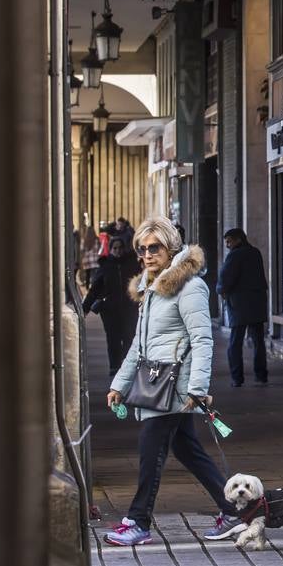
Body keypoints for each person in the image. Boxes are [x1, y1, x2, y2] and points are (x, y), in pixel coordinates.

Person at [103, 216, 245, 546]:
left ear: (172, 248)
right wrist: (119, 385)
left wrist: (197, 388)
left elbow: (202, 339)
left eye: (155, 248)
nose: (147, 255)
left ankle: (138, 522)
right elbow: (139, 345)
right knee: (186, 447)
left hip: (174, 387)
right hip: (157, 383)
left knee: (150, 449)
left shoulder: (190, 286)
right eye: (142, 248)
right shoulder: (150, 288)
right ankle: (233, 511)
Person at [218, 227, 269, 388]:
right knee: (258, 341)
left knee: (235, 342)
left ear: (238, 239)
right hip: (257, 302)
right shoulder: (255, 252)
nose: (227, 245)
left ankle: (237, 378)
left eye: (229, 241)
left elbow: (226, 278)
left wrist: (221, 290)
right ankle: (261, 376)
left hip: (239, 303)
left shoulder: (235, 256)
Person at [83, 236, 141, 372]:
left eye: (120, 248)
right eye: (115, 248)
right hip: (110, 310)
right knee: (113, 339)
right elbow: (94, 289)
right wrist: (84, 309)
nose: (118, 251)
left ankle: (127, 367)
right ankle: (115, 366)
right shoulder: (105, 266)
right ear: (110, 249)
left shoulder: (132, 264)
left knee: (128, 337)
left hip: (129, 308)